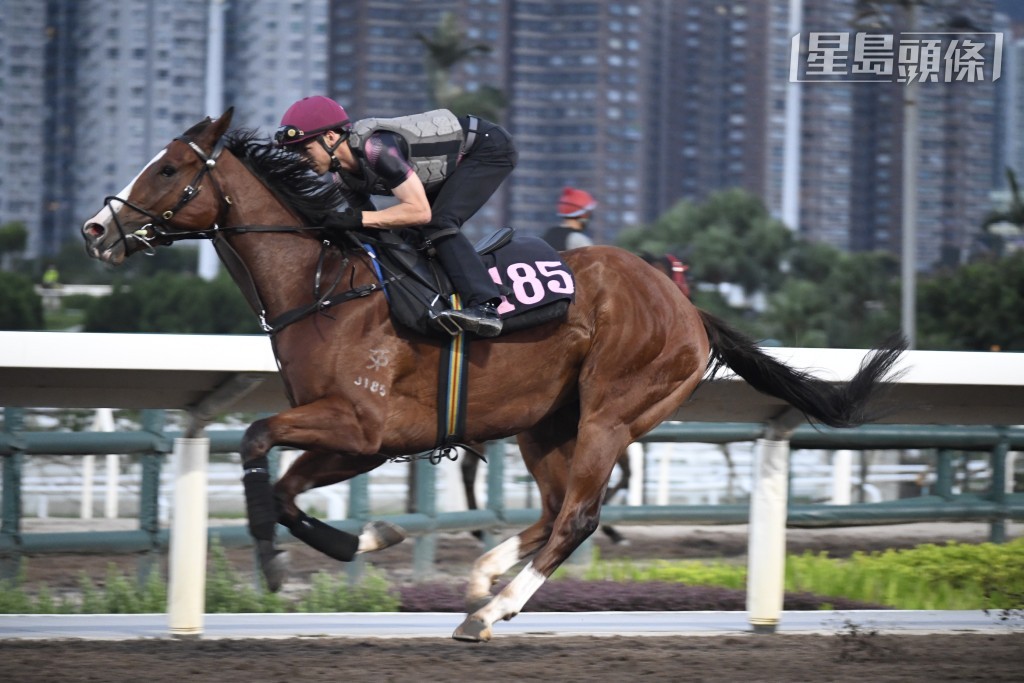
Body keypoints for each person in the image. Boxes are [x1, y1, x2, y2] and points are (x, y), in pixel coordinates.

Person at [275, 96, 517, 337]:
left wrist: (355, 220)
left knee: (438, 224)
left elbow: (419, 212)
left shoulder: (377, 149)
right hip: (451, 164)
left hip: (486, 147)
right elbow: (375, 229)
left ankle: (486, 307)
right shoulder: (342, 178)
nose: (301, 160)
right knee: (407, 234)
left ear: (330, 137)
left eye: (305, 149)